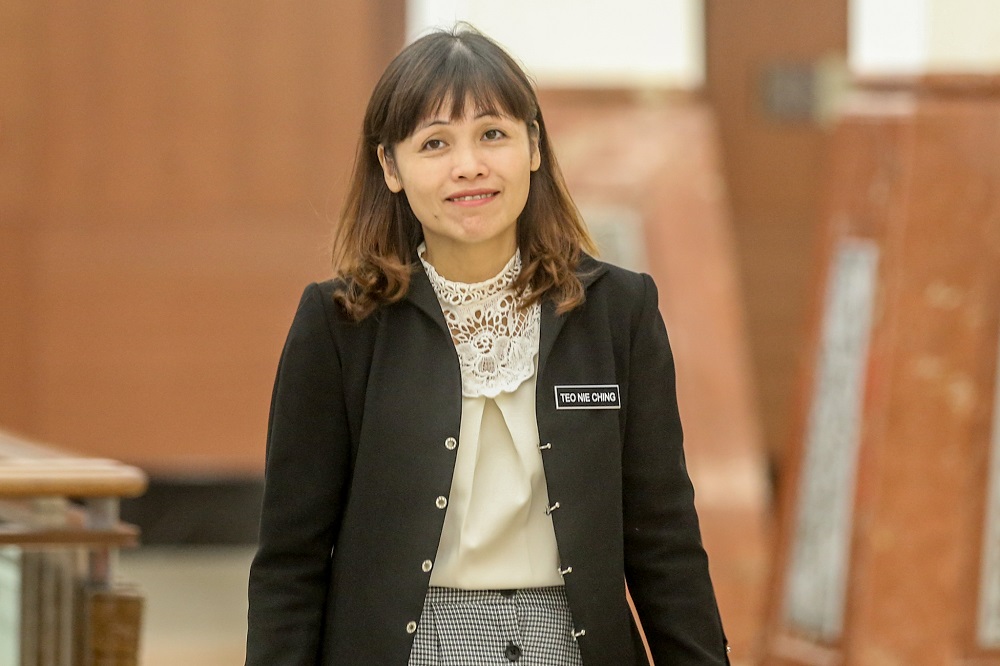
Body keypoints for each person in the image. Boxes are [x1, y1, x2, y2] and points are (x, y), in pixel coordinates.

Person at [246, 24, 730, 666]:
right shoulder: (341, 323)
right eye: (435, 143)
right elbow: (291, 561)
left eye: (493, 134)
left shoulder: (617, 311)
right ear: (390, 167)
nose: (468, 165)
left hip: (575, 645)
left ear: (533, 145)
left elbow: (663, 536)